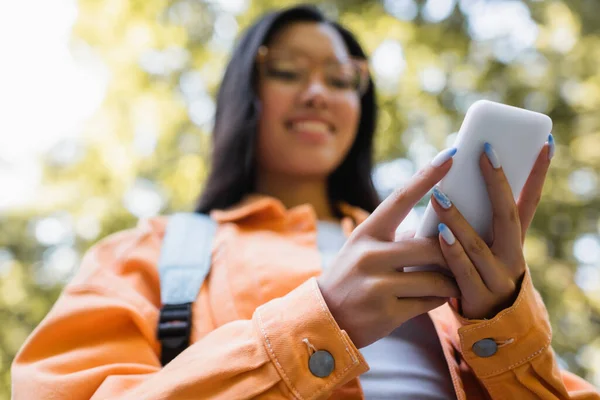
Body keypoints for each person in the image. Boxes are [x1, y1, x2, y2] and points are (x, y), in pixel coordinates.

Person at [11, 4, 600, 400]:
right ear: (245, 93)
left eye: (343, 80)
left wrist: (502, 318)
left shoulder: (432, 251)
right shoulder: (147, 251)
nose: (319, 93)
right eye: (290, 71)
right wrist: (318, 325)